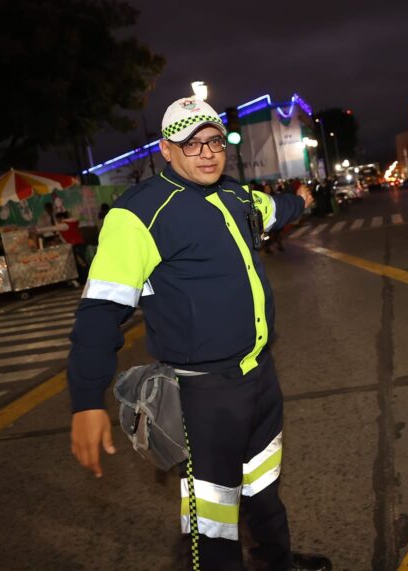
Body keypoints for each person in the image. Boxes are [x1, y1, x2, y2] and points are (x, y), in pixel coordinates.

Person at [67, 96, 329, 571]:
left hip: (261, 378)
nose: (207, 152)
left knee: (264, 487)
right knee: (211, 517)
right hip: (202, 394)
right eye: (191, 144)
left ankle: (277, 563)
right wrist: (86, 400)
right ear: (166, 150)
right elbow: (99, 313)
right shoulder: (137, 215)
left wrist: (303, 199)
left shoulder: (237, 195)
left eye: (213, 141)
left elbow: (277, 208)